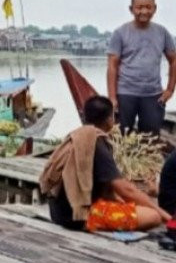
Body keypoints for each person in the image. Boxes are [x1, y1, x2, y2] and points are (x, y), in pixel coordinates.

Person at [40, 95, 170, 232]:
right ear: (110, 120)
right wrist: (166, 217)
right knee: (152, 216)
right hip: (79, 216)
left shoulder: (76, 135)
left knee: (131, 204)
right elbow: (126, 190)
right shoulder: (96, 142)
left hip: (59, 212)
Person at [107, 0, 176, 135]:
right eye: (139, 7)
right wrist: (112, 97)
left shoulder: (162, 32)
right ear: (131, 9)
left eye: (148, 7)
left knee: (150, 137)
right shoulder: (120, 33)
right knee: (121, 135)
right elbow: (112, 66)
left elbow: (173, 61)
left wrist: (170, 90)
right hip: (125, 93)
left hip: (153, 94)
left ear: (154, 8)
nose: (144, 11)